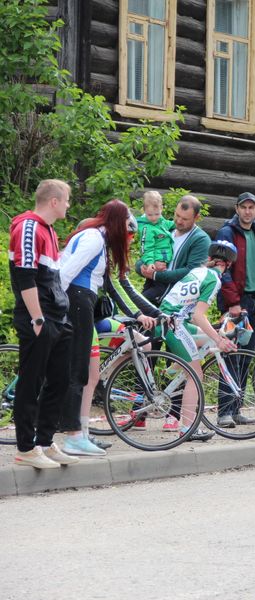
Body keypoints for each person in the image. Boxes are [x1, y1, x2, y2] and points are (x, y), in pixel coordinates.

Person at [58, 200, 155, 457]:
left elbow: (112, 286)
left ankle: (81, 434)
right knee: (78, 371)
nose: (128, 234)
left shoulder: (100, 243)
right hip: (77, 301)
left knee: (89, 373)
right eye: (127, 226)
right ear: (116, 221)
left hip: (84, 303)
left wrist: (140, 313)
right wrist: (53, 307)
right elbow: (65, 273)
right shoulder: (93, 239)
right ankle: (73, 437)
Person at [8, 179, 79, 468]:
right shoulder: (28, 227)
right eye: (67, 200)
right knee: (31, 381)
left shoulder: (48, 229)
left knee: (60, 380)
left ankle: (45, 442)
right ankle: (26, 448)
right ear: (54, 201)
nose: (68, 205)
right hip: (39, 318)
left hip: (57, 317)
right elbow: (25, 278)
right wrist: (37, 318)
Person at [144, 241, 241, 440]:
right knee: (196, 375)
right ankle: (187, 429)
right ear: (229, 264)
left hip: (173, 319)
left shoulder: (199, 271)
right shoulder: (214, 279)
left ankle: (174, 369)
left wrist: (215, 336)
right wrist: (219, 339)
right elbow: (199, 315)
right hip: (174, 324)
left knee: (208, 339)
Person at [214, 191, 255, 428]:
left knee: (246, 355)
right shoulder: (226, 232)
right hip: (237, 301)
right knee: (231, 353)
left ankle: (237, 408)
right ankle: (224, 411)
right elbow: (223, 269)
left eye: (252, 207)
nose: (248, 211)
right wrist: (232, 302)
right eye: (244, 207)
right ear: (237, 208)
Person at [137, 195, 211, 305]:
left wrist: (155, 275)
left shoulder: (201, 240)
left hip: (176, 303)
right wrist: (144, 266)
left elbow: (192, 272)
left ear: (197, 218)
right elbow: (146, 253)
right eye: (177, 215)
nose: (179, 221)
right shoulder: (164, 229)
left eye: (185, 219)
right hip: (152, 293)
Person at [136, 190, 174, 272]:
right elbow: (146, 247)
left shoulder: (162, 221)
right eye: (150, 215)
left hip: (165, 260)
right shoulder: (147, 228)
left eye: (157, 214)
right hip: (156, 262)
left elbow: (171, 224)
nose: (153, 218)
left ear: (161, 209)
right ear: (144, 210)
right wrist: (150, 262)